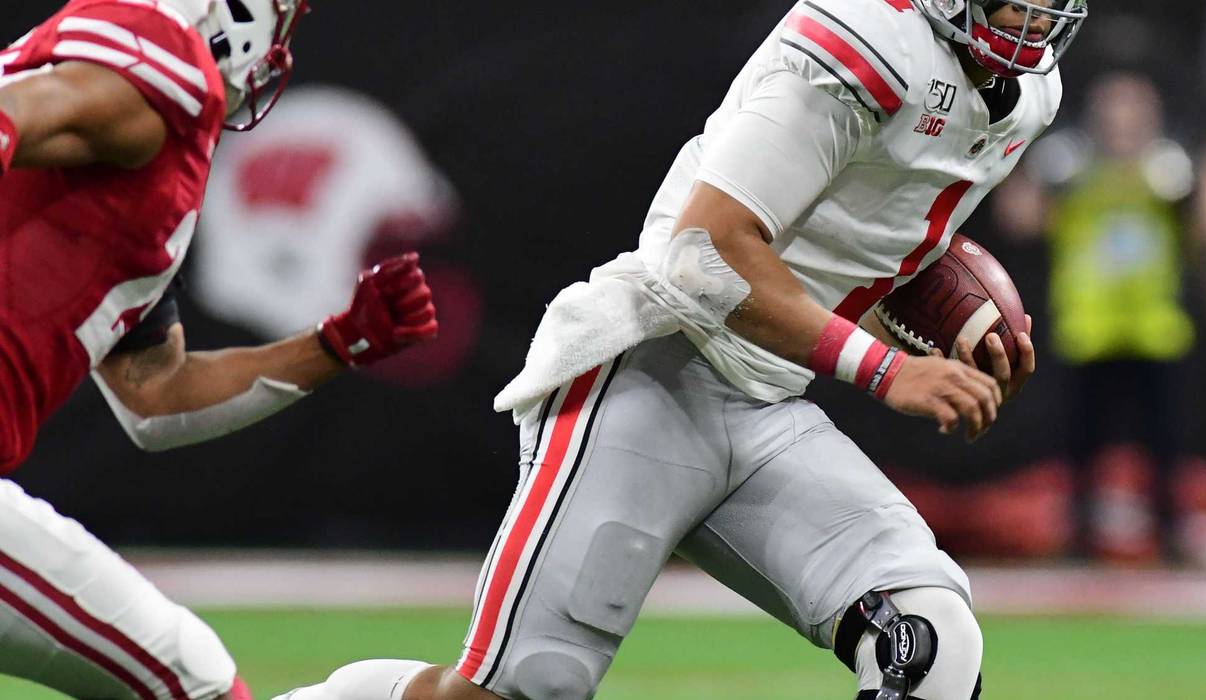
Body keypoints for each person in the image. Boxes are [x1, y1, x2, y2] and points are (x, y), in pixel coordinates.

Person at [281, 1, 1084, 699]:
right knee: (525, 688)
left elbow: (861, 251)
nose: (1036, 17)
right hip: (652, 369)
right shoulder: (868, 40)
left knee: (929, 635)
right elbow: (704, 250)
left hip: (765, 403)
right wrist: (887, 370)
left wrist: (926, 324)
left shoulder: (1028, 94)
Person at [0, 1, 437, 698]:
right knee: (191, 679)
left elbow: (155, 395)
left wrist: (334, 345)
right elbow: (22, 109)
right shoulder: (163, 61)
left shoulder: (134, 153)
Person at [995, 73, 1196, 561]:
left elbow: (1203, 231)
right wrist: (1036, 172)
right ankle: (1079, 539)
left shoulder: (1167, 173)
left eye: (1135, 110)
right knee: (1081, 443)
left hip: (1153, 328)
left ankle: (1170, 538)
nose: (1124, 121)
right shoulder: (1073, 170)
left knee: (1163, 444)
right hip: (1087, 329)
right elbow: (1019, 220)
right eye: (1116, 109)